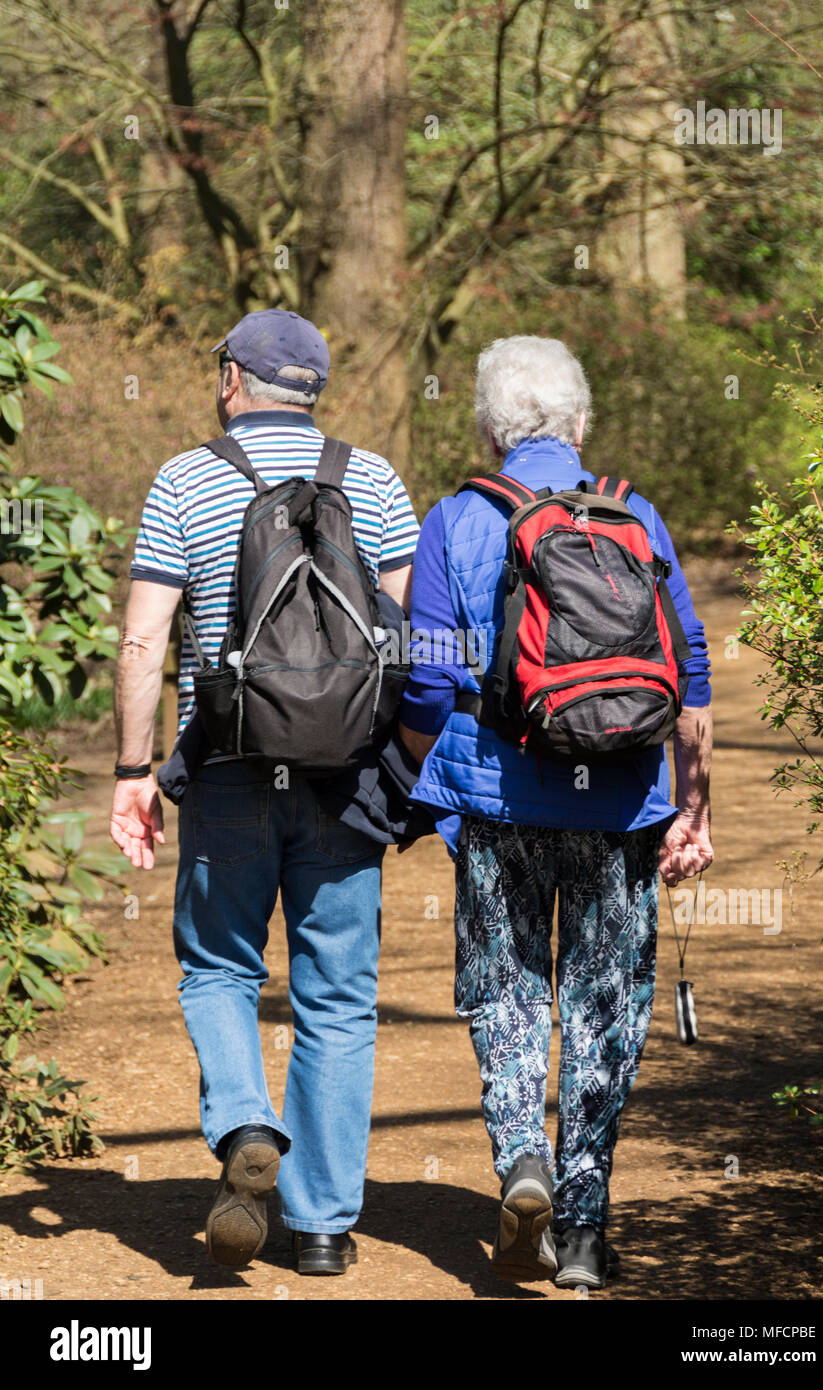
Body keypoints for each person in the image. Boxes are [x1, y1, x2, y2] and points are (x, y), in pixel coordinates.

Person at [397, 335, 713, 1290]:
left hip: (500, 799)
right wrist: (692, 805)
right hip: (622, 800)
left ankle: (519, 1159)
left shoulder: (455, 518)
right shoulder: (635, 513)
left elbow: (426, 678)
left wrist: (422, 782)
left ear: (491, 430)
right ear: (580, 426)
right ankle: (581, 1230)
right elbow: (688, 669)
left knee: (505, 988)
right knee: (604, 1003)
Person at [110, 309, 419, 1274]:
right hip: (346, 778)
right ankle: (322, 1227)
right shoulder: (372, 479)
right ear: (314, 389)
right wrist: (403, 774)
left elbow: (143, 642)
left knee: (218, 968)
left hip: (228, 770)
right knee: (338, 998)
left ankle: (246, 1119)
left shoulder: (186, 478)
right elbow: (412, 646)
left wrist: (132, 772)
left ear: (233, 378)